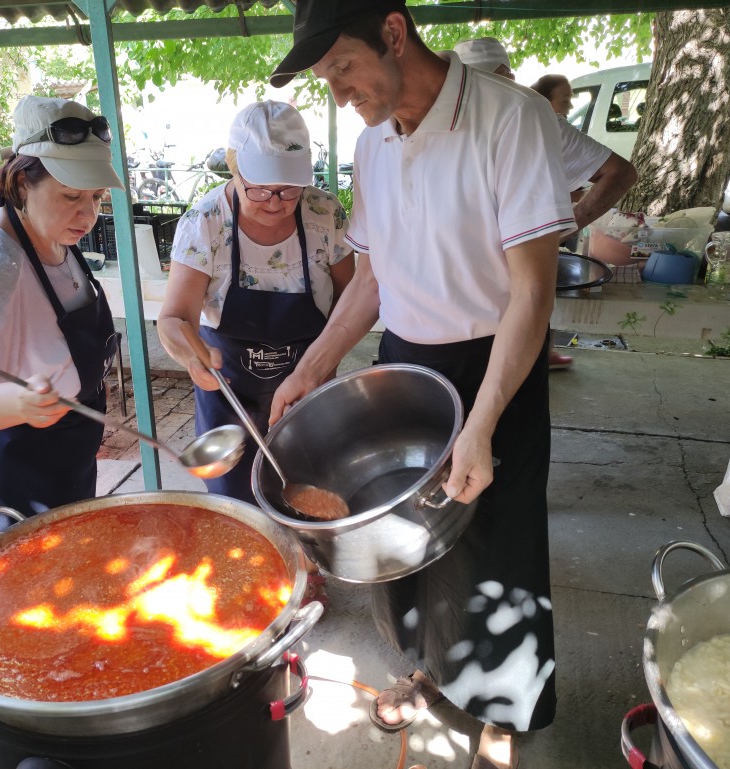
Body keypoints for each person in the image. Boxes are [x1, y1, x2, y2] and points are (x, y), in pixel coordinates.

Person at [269, 4, 575, 767]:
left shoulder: (512, 119)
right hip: (407, 363)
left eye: (342, 66)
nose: (338, 92)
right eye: (325, 78)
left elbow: (532, 292)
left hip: (496, 363)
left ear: (394, 33)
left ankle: (501, 713)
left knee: (498, 541)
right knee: (404, 541)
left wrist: (482, 420)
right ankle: (431, 671)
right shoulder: (373, 143)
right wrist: (312, 366)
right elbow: (370, 279)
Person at [0, 95, 122, 538]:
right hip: (11, 459)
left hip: (64, 443)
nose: (88, 215)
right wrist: (20, 403)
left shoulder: (51, 227)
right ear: (20, 185)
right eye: (71, 195)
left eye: (96, 196)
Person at [157, 100, 354, 505]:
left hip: (308, 389)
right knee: (237, 510)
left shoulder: (324, 213)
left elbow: (350, 299)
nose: (275, 201)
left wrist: (324, 366)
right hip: (230, 400)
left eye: (288, 188)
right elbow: (174, 318)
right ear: (235, 169)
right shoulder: (205, 222)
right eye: (260, 188)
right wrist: (190, 356)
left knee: (312, 502)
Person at [455, 37, 637, 370]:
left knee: (516, 361)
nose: (475, 95)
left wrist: (566, 226)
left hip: (514, 279)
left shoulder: (540, 123)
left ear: (508, 78)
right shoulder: (443, 127)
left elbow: (619, 173)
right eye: (467, 85)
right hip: (458, 293)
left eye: (486, 82)